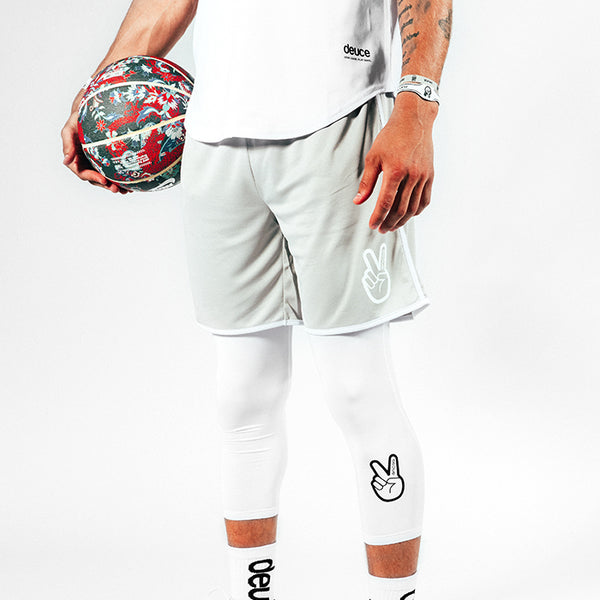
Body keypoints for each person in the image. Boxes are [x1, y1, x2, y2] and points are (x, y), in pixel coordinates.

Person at [61, 1, 452, 599]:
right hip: (216, 137)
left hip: (337, 120)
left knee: (357, 388)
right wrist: (100, 97)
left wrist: (416, 110)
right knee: (242, 394)